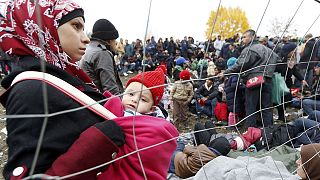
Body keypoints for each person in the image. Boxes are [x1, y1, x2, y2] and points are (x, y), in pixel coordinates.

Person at [0, 1, 126, 179]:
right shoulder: (32, 90)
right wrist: (100, 141)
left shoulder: (65, 76)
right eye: (76, 26)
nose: (86, 38)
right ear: (44, 27)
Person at [100, 67, 179, 179]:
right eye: (131, 94)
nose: (134, 100)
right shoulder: (113, 109)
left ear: (151, 109)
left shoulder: (155, 127)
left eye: (143, 99)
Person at [223, 29, 279, 128]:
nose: (242, 39)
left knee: (250, 107)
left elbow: (240, 64)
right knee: (266, 107)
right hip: (267, 79)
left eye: (244, 37)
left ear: (252, 37)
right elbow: (277, 60)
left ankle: (251, 131)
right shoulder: (269, 50)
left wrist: (226, 72)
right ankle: (270, 131)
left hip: (254, 80)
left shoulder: (250, 49)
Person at [79, 18, 124, 95]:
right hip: (99, 103)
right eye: (114, 41)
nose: (115, 45)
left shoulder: (88, 49)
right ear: (109, 41)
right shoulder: (102, 53)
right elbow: (111, 91)